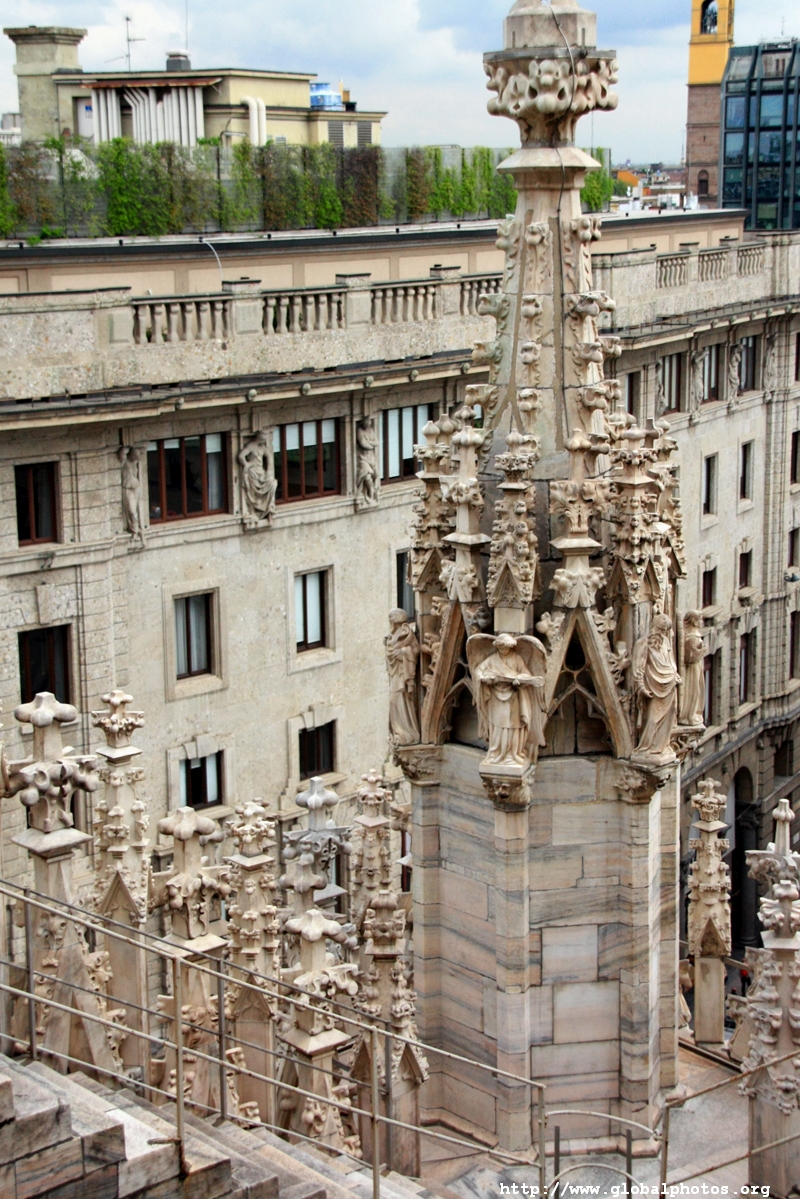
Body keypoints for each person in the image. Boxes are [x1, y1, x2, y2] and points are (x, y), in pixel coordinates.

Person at [472, 633, 546, 766]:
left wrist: (520, 679)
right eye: (500, 648)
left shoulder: (517, 658)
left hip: (514, 697)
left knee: (513, 727)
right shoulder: (492, 659)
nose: (503, 650)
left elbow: (526, 674)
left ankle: (512, 754)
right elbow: (478, 670)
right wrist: (483, 678)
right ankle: (496, 753)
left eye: (505, 648)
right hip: (496, 699)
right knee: (498, 726)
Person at [385, 609, 420, 745]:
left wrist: (403, 652)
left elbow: (416, 649)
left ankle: (407, 733)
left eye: (392, 617)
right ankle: (399, 732)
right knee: (394, 701)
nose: (390, 619)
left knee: (396, 700)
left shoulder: (406, 632)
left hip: (402, 674)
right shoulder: (392, 635)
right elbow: (391, 652)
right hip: (396, 673)